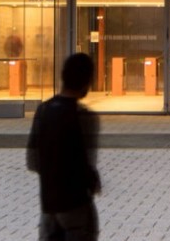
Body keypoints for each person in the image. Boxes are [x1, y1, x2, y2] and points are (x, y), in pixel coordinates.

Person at [26, 52, 100, 240]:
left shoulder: (43, 110)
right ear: (86, 81)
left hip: (49, 206)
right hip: (77, 206)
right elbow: (87, 163)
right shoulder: (84, 116)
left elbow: (32, 161)